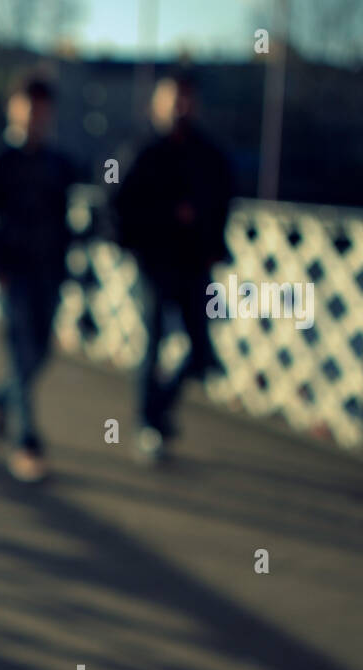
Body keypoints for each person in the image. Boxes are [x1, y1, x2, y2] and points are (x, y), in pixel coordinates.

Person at [113, 70, 233, 461]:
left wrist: (214, 240)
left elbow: (224, 199)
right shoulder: (141, 152)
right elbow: (116, 203)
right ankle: (147, 423)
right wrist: (161, 223)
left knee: (201, 350)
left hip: (195, 262)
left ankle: (158, 409)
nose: (181, 107)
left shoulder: (208, 154)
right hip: (155, 261)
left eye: (187, 99)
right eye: (173, 99)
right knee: (154, 341)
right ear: (157, 104)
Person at [0, 72, 80, 483]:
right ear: (13, 108)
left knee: (40, 353)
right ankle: (27, 443)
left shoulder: (59, 163)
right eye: (29, 105)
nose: (36, 114)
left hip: (50, 272)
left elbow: (66, 219)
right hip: (13, 273)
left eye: (42, 107)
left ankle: (1, 398)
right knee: (21, 351)